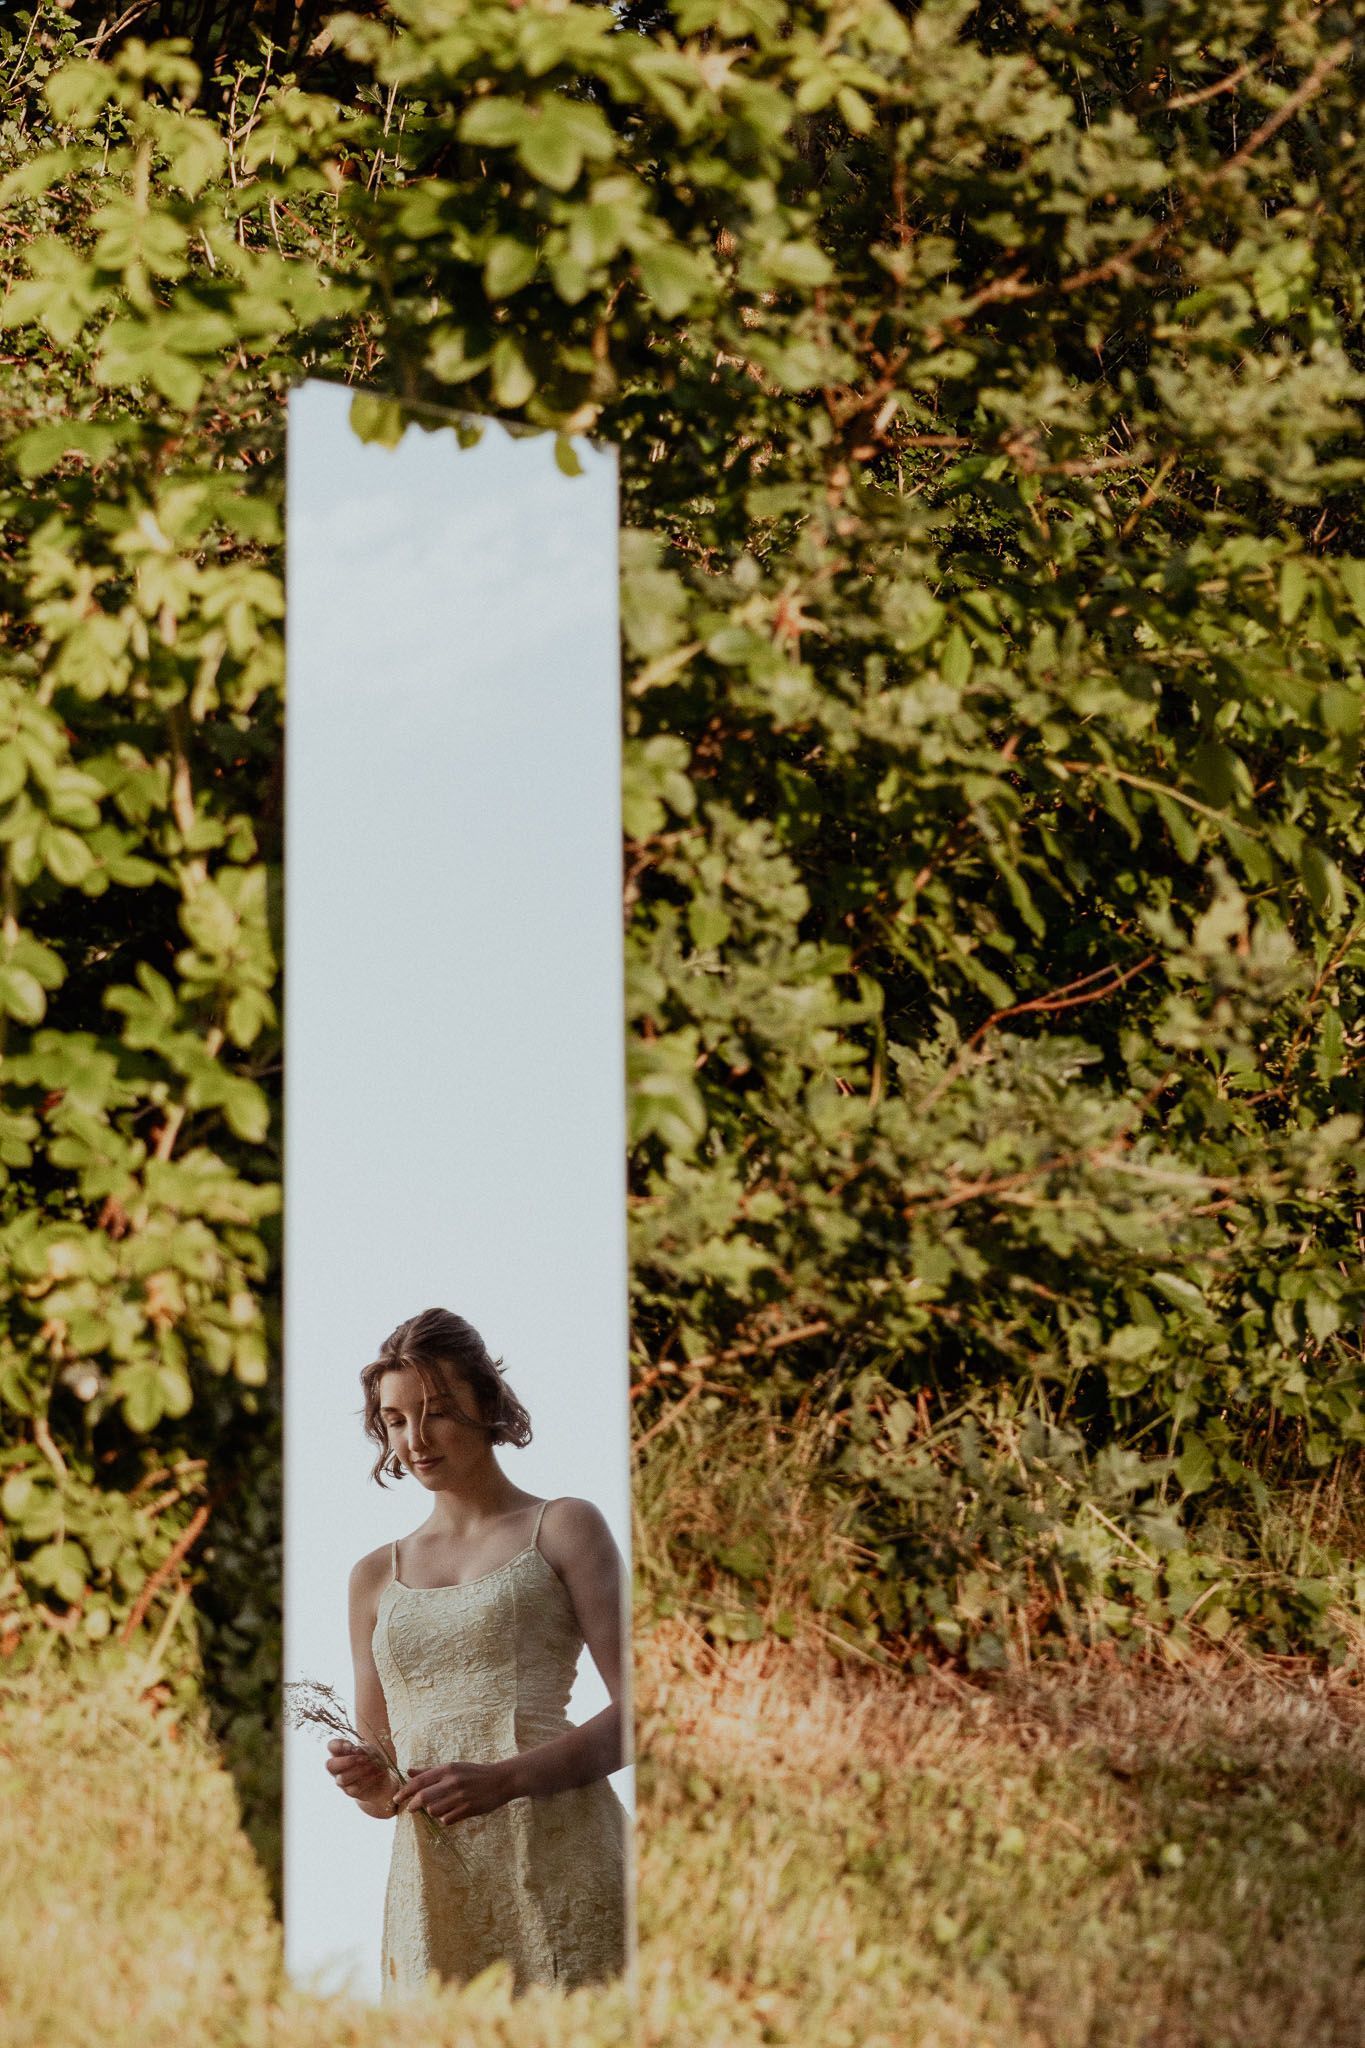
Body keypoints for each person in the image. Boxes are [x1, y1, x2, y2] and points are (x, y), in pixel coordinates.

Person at [324, 1307, 630, 1997]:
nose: (413, 1439)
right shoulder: (373, 1576)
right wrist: (372, 1787)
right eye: (394, 1420)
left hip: (565, 1850)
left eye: (435, 1412)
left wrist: (507, 1780)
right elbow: (386, 1780)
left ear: (486, 1405)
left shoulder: (564, 1527)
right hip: (436, 1882)